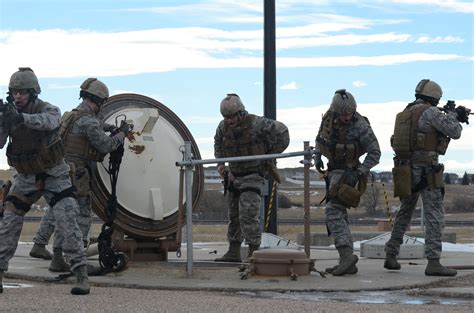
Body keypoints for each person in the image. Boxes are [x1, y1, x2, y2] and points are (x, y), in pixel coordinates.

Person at [0, 67, 89, 295]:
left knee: (68, 223)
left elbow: (49, 122)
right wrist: (3, 122)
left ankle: (80, 275)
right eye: (14, 92)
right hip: (25, 177)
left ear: (33, 92)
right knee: (8, 224)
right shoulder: (10, 115)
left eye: (22, 92)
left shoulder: (48, 109)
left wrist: (20, 118)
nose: (18, 96)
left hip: (54, 175)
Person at [29, 78, 129, 273]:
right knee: (81, 216)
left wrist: (108, 128)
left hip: (60, 171)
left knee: (59, 212)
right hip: (77, 175)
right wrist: (122, 134)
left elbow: (91, 128)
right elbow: (105, 145)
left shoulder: (71, 115)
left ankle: (49, 251)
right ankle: (76, 260)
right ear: (98, 101)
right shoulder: (88, 120)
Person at [384, 79, 468, 276]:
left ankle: (390, 253)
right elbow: (454, 132)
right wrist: (454, 116)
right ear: (434, 97)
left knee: (405, 213)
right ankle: (433, 261)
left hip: (406, 170)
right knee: (434, 216)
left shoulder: (405, 113)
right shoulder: (430, 112)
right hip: (426, 171)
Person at [213, 94, 289, 262]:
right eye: (226, 117)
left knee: (248, 215)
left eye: (232, 117)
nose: (229, 121)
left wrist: (270, 155)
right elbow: (218, 142)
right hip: (234, 176)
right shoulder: (222, 127)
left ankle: (254, 252)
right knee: (234, 216)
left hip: (253, 175)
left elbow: (283, 132)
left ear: (240, 113)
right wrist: (221, 162)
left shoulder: (258, 124)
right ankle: (233, 251)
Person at [314, 89, 380, 276]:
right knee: (339, 215)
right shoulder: (328, 119)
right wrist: (318, 155)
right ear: (335, 112)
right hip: (333, 171)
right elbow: (320, 139)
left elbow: (375, 152)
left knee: (333, 213)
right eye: (343, 114)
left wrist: (359, 172)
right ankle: (347, 260)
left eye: (349, 113)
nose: (347, 117)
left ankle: (346, 256)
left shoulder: (360, 126)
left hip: (349, 174)